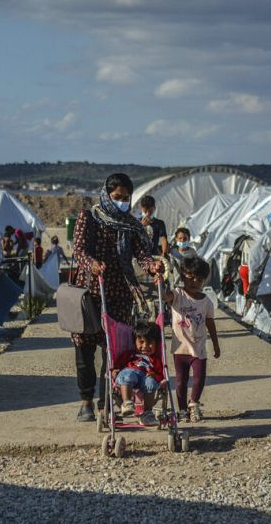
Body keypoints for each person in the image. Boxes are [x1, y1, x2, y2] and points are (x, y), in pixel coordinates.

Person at [72, 173, 164, 422]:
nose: (122, 202)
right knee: (85, 350)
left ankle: (107, 403)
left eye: (126, 198)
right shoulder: (89, 217)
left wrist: (152, 266)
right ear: (106, 194)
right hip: (90, 292)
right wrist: (92, 264)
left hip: (119, 294)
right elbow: (78, 250)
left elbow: (142, 255)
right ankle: (86, 400)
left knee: (114, 352)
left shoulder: (132, 225)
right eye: (117, 197)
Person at [156, 255, 220, 422]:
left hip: (198, 348)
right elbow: (165, 297)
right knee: (180, 382)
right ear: (184, 276)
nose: (194, 282)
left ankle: (194, 404)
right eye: (190, 278)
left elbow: (210, 324)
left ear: (204, 281)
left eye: (199, 279)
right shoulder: (178, 294)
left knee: (199, 378)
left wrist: (216, 344)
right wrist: (161, 281)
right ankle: (183, 410)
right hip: (180, 349)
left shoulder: (206, 302)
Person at [112, 321, 165, 426]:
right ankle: (127, 403)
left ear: (156, 343)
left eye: (150, 343)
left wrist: (155, 376)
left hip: (145, 377)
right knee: (128, 374)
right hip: (129, 374)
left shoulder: (155, 360)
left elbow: (161, 374)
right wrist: (114, 370)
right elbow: (117, 366)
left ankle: (147, 413)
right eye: (141, 342)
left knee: (151, 382)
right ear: (135, 342)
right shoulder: (130, 355)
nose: (145, 346)